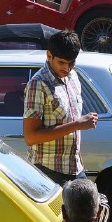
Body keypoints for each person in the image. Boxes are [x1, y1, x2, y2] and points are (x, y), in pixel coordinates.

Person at [22, 30, 99, 184]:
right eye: (62, 63)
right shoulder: (38, 84)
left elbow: (72, 135)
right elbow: (31, 137)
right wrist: (78, 124)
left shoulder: (73, 77)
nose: (67, 68)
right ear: (49, 55)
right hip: (48, 172)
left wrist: (80, 163)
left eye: (72, 63)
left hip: (75, 168)